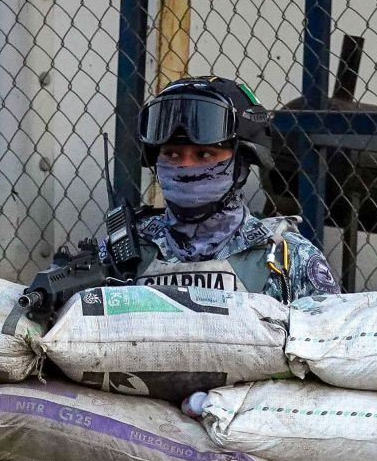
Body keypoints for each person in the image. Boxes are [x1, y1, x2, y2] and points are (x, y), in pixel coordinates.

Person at [123, 75, 339, 301]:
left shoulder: (289, 260)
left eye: (204, 154)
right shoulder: (126, 252)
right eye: (172, 154)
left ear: (243, 162)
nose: (185, 165)